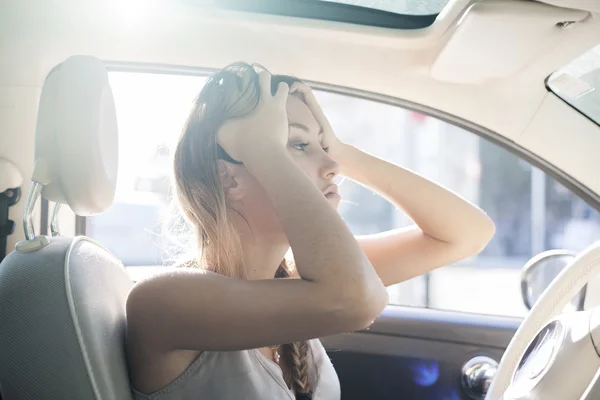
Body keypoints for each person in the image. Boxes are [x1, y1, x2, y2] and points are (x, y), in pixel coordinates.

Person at [125, 62, 496, 400]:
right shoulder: (164, 302)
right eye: (299, 145)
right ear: (229, 177)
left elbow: (466, 234)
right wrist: (263, 149)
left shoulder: (303, 279)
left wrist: (342, 150)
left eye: (324, 146)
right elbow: (357, 300)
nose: (332, 165)